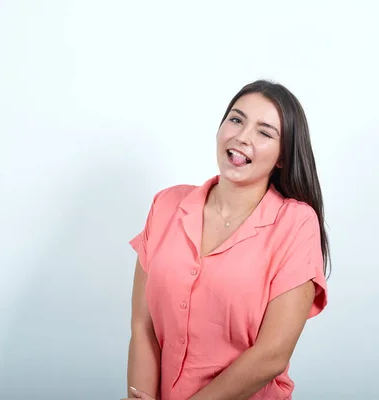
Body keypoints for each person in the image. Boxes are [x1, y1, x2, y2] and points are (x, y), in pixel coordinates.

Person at [122, 79, 331, 400]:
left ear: (282, 157)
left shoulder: (296, 223)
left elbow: (271, 356)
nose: (242, 136)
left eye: (264, 132)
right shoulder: (166, 204)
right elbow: (142, 326)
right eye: (236, 119)